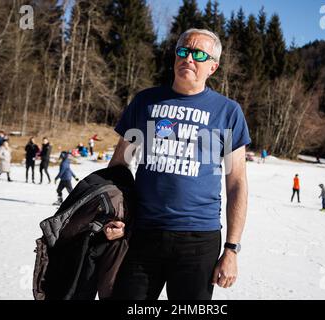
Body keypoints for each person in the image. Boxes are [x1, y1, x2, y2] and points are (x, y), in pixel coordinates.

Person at [108, 28, 251, 300]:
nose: (189, 58)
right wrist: (117, 215)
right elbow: (119, 166)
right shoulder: (146, 102)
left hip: (199, 240)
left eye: (199, 54)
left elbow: (237, 184)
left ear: (213, 66)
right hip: (143, 234)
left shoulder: (228, 112)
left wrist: (231, 249)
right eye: (183, 51)